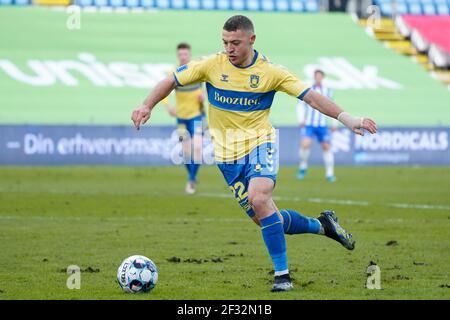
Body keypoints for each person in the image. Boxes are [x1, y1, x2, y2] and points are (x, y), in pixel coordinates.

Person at [131, 15, 377, 292]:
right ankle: (323, 226)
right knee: (265, 217)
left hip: (260, 143)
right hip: (226, 156)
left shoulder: (271, 72)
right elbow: (172, 80)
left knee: (259, 197)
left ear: (252, 39)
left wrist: (347, 118)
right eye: (225, 42)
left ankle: (282, 276)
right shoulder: (212, 65)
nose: (229, 49)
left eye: (235, 42)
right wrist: (147, 105)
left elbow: (311, 97)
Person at [162, 43, 206, 194]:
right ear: (177, 56)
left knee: (198, 148)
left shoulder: (197, 70)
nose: (183, 57)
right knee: (186, 151)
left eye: (185, 54)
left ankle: (191, 180)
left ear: (189, 55)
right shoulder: (174, 73)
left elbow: (210, 84)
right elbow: (163, 91)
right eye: (180, 55)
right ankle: (191, 176)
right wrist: (168, 107)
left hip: (197, 116)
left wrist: (204, 95)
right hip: (181, 118)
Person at [297, 69, 337, 182]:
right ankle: (303, 167)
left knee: (326, 147)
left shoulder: (327, 91)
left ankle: (330, 174)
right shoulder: (309, 90)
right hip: (309, 124)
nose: (318, 78)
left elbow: (332, 106)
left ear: (322, 78)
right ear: (314, 77)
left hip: (322, 125)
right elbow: (300, 105)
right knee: (305, 145)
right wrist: (301, 119)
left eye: (320, 76)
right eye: (316, 76)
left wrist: (334, 123)